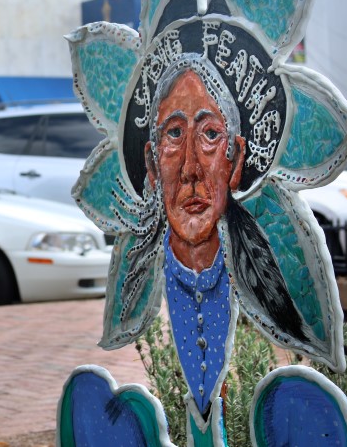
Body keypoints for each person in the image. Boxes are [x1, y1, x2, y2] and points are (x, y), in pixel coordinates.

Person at [121, 54, 308, 418]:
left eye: (209, 135)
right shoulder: (147, 270)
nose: (190, 168)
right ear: (152, 165)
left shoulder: (253, 265)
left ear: (235, 161)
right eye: (173, 135)